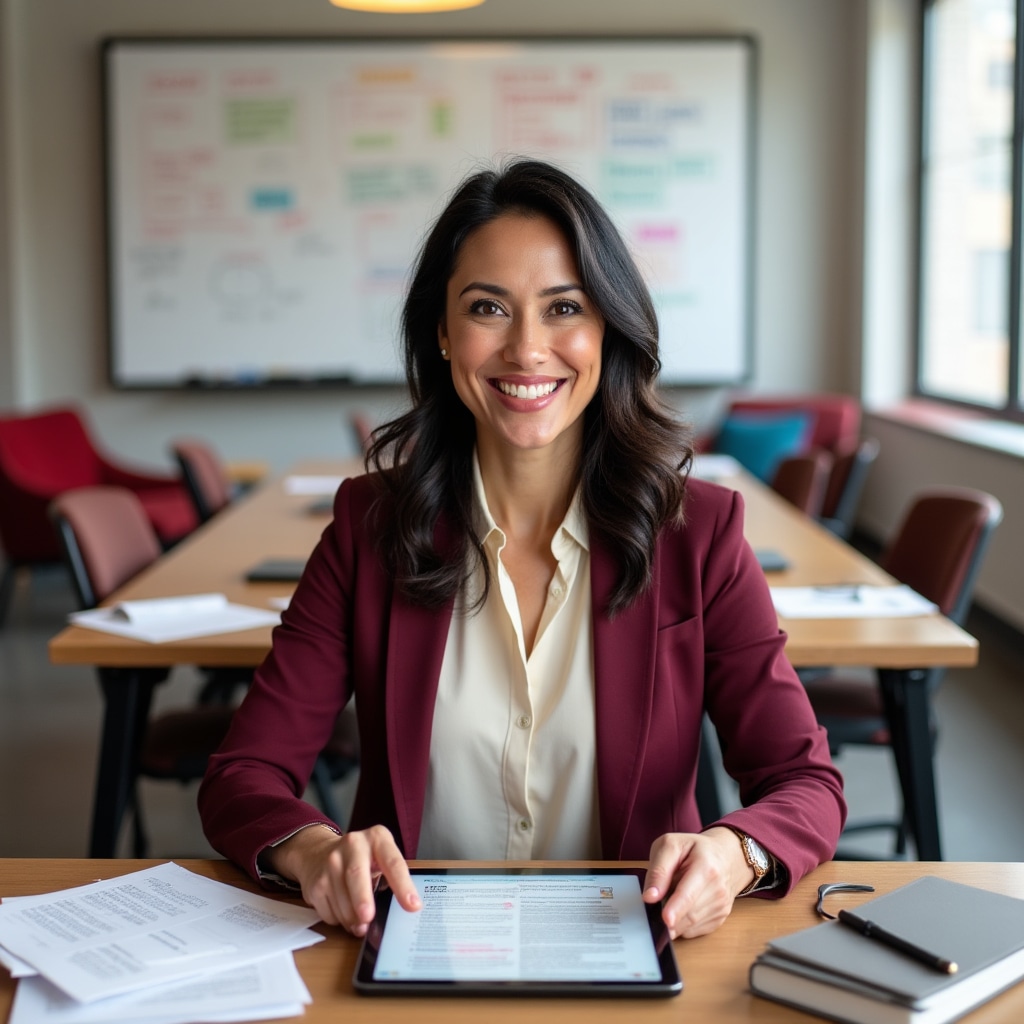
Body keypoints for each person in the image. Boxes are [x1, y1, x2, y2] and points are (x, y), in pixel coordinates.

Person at [199, 158, 846, 942]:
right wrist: (313, 852)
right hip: (411, 948)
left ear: (607, 329)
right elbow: (243, 774)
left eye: (564, 307)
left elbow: (805, 780)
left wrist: (736, 852)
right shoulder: (370, 527)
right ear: (441, 333)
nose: (527, 349)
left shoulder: (698, 533)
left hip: (632, 950)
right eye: (487, 308)